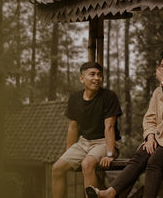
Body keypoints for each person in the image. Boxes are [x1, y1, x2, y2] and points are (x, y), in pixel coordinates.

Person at [86, 50, 163, 198]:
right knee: (139, 156)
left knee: (154, 161)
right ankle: (110, 192)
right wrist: (150, 137)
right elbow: (149, 118)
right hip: (161, 140)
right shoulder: (158, 92)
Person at [52, 61, 123, 198]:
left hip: (105, 142)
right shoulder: (74, 98)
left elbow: (109, 127)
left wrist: (109, 154)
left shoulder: (109, 97)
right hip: (84, 142)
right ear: (82, 79)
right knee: (57, 169)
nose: (97, 78)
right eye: (92, 74)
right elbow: (73, 127)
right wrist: (68, 152)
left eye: (99, 75)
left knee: (87, 164)